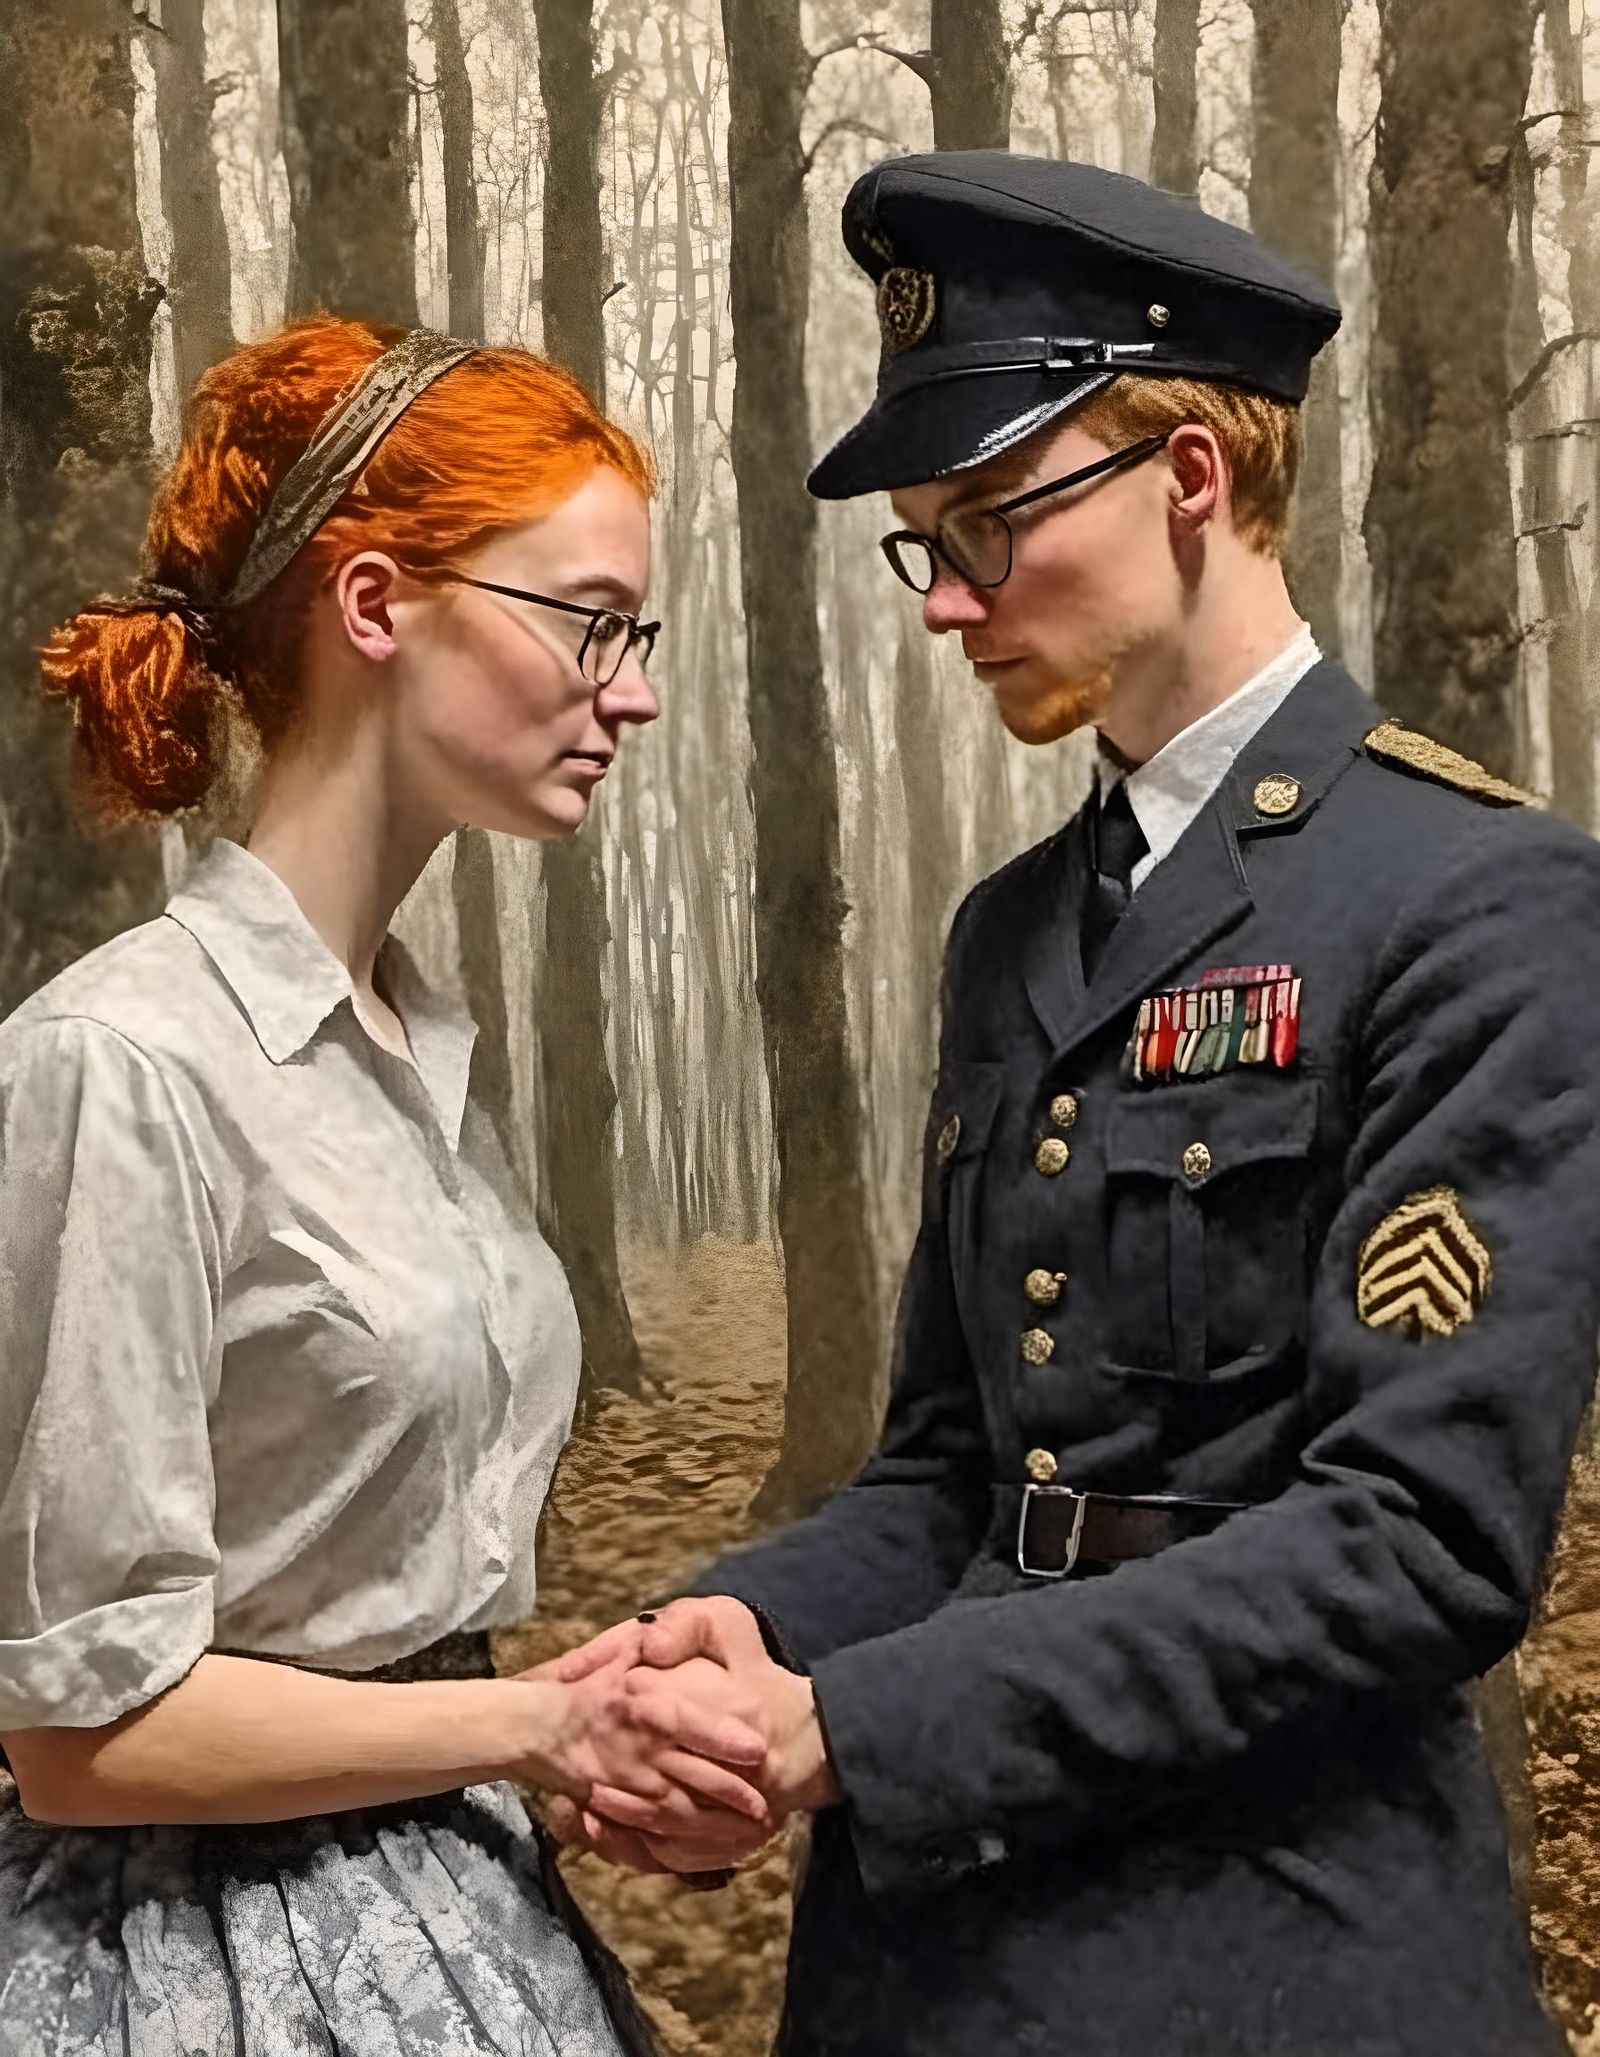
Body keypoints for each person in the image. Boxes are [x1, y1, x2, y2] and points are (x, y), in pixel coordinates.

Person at [550, 152, 1600, 2055]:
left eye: (990, 525)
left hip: (1279, 1952)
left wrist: (857, 1724)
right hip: (936, 1960)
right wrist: (750, 1628)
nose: (947, 601)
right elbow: (959, 1465)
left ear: (1189, 476)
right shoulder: (1011, 931)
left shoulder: (1475, 899)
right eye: (923, 547)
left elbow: (1417, 1538)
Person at [0, 317, 772, 2055]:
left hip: (457, 1894)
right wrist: (535, 1729)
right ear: (374, 605)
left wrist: (581, 1722)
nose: (631, 690)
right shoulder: (123, 1064)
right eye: (588, 621)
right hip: (190, 1963)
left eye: (635, 635)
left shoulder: (420, 1049)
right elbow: (78, 1733)